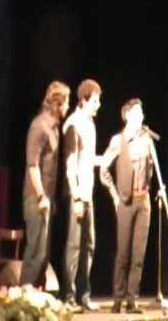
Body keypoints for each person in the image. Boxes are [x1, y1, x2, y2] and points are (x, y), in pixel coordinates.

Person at [100, 98, 162, 313]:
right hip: (126, 202)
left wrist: (156, 189)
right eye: (138, 113)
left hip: (143, 201)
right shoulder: (118, 141)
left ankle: (132, 299)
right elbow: (104, 169)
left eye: (142, 112)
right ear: (128, 116)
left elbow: (151, 171)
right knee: (123, 253)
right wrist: (115, 196)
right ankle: (118, 298)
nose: (142, 116)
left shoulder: (146, 140)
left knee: (138, 254)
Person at [20, 81, 70, 288]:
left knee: (44, 254)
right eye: (66, 102)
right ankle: (23, 300)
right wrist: (41, 196)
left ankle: (35, 301)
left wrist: (50, 200)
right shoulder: (38, 126)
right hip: (35, 198)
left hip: (47, 200)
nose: (68, 107)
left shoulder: (55, 130)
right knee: (35, 252)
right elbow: (32, 165)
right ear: (57, 104)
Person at [62, 79, 102, 312]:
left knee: (89, 244)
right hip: (77, 193)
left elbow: (88, 158)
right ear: (84, 99)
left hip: (89, 193)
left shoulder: (90, 125)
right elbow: (71, 163)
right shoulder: (73, 124)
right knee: (74, 246)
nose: (98, 105)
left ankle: (84, 294)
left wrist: (104, 159)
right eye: (95, 100)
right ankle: (69, 296)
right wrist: (76, 196)